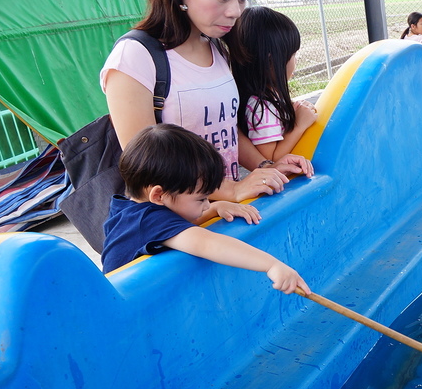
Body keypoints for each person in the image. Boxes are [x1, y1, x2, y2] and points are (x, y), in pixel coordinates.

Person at [100, 0, 313, 206]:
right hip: (178, 226)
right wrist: (230, 191)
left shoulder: (216, 48)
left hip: (225, 212)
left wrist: (265, 167)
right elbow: (145, 165)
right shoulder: (135, 58)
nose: (235, 11)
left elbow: (226, 130)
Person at [102, 123, 312, 296]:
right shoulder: (148, 220)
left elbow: (171, 226)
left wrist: (215, 208)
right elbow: (207, 244)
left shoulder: (128, 208)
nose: (205, 205)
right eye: (202, 199)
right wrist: (271, 265)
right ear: (158, 195)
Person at [225, 6, 318, 163]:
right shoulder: (262, 108)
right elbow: (270, 160)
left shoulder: (268, 99)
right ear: (271, 61)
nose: (295, 61)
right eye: (293, 55)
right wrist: (299, 126)